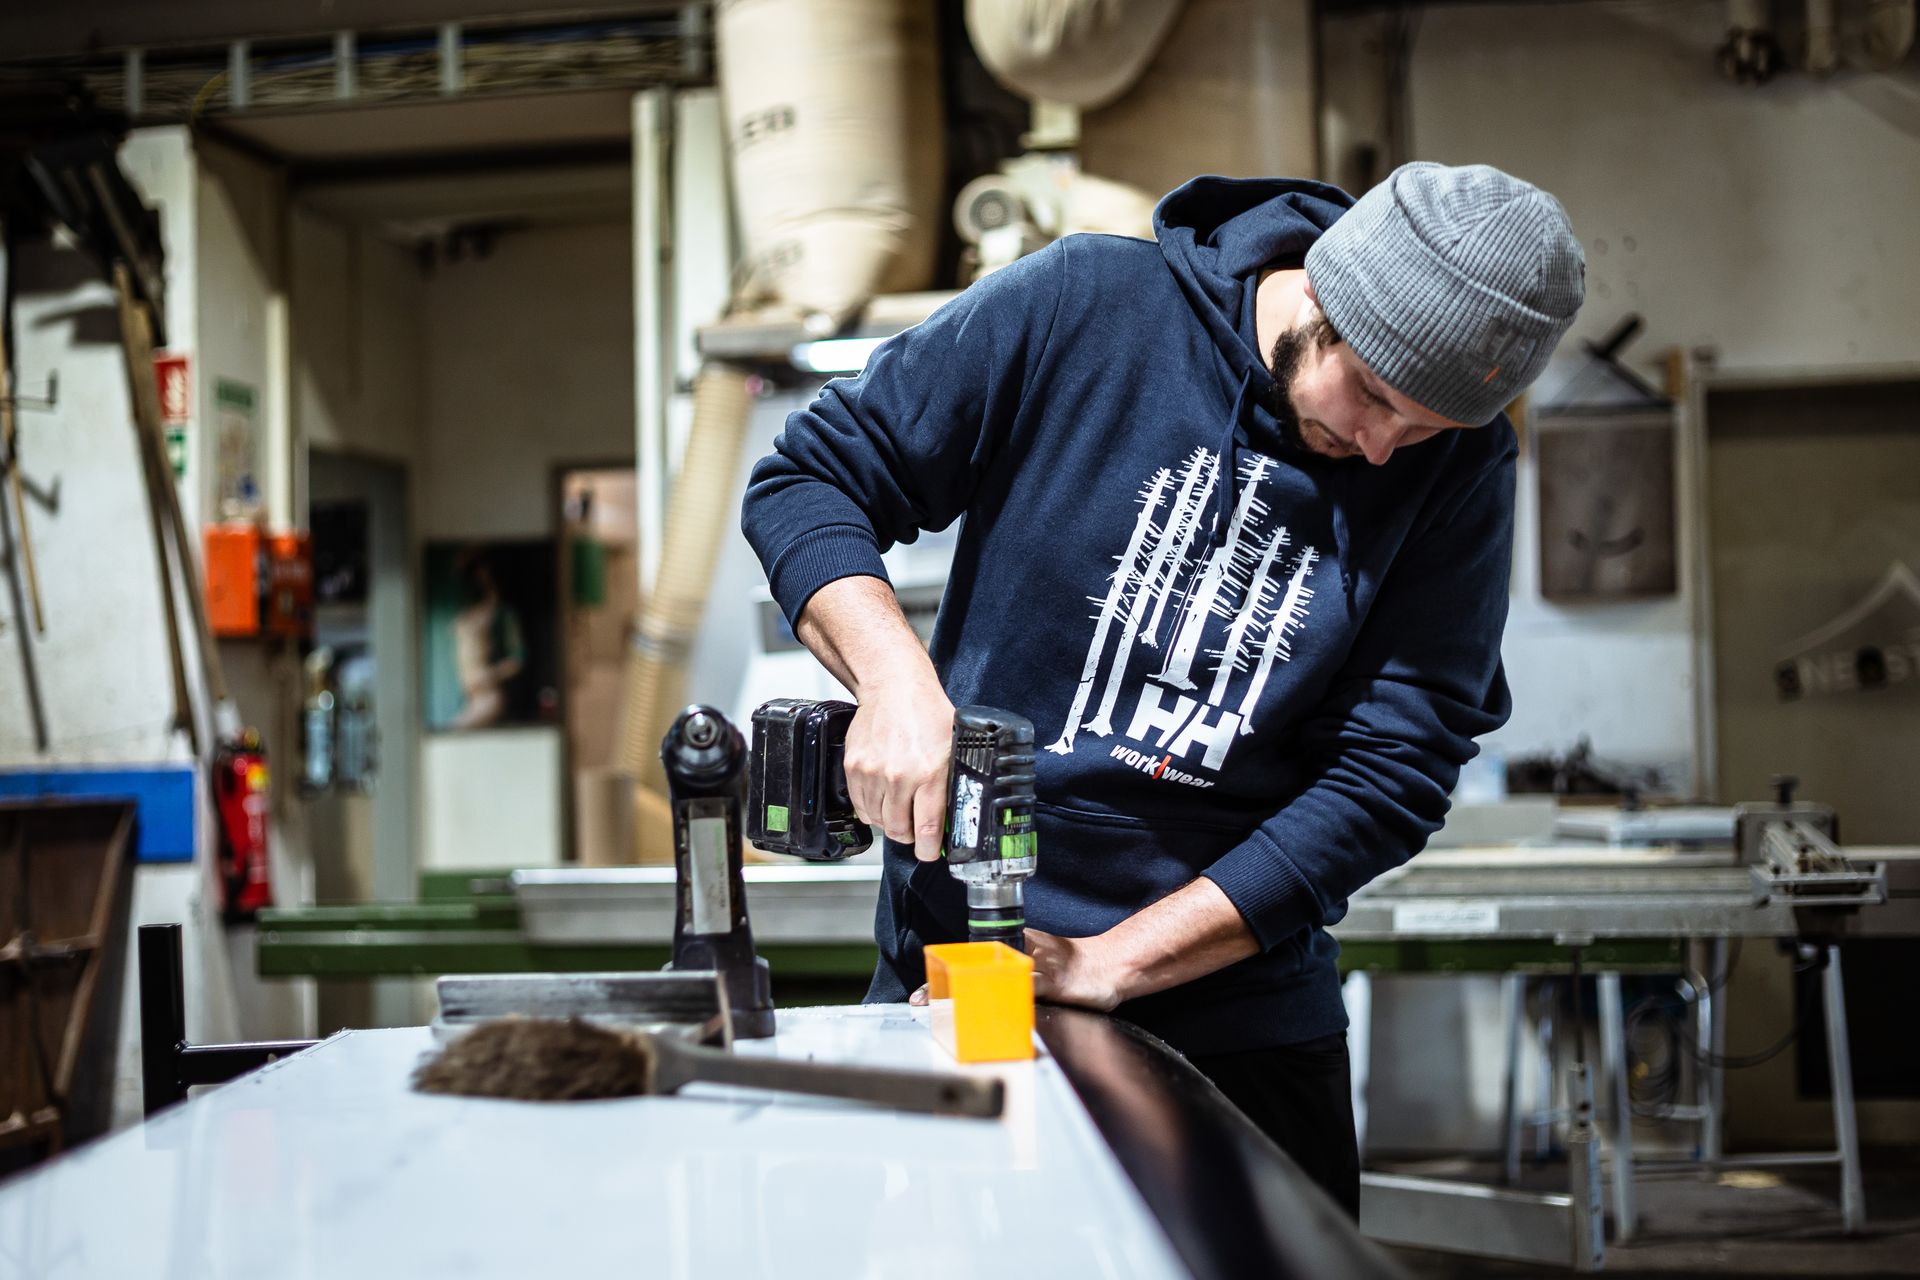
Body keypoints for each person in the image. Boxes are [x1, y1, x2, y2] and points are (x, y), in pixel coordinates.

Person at [740, 163, 1584, 1214]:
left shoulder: (1459, 470)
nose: (1379, 448)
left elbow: (1392, 772)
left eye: (1421, 428)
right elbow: (812, 479)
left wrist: (1116, 961)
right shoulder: (1086, 307)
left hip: (1245, 1026)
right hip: (961, 982)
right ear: (1320, 289)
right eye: (1371, 394)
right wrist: (898, 683)